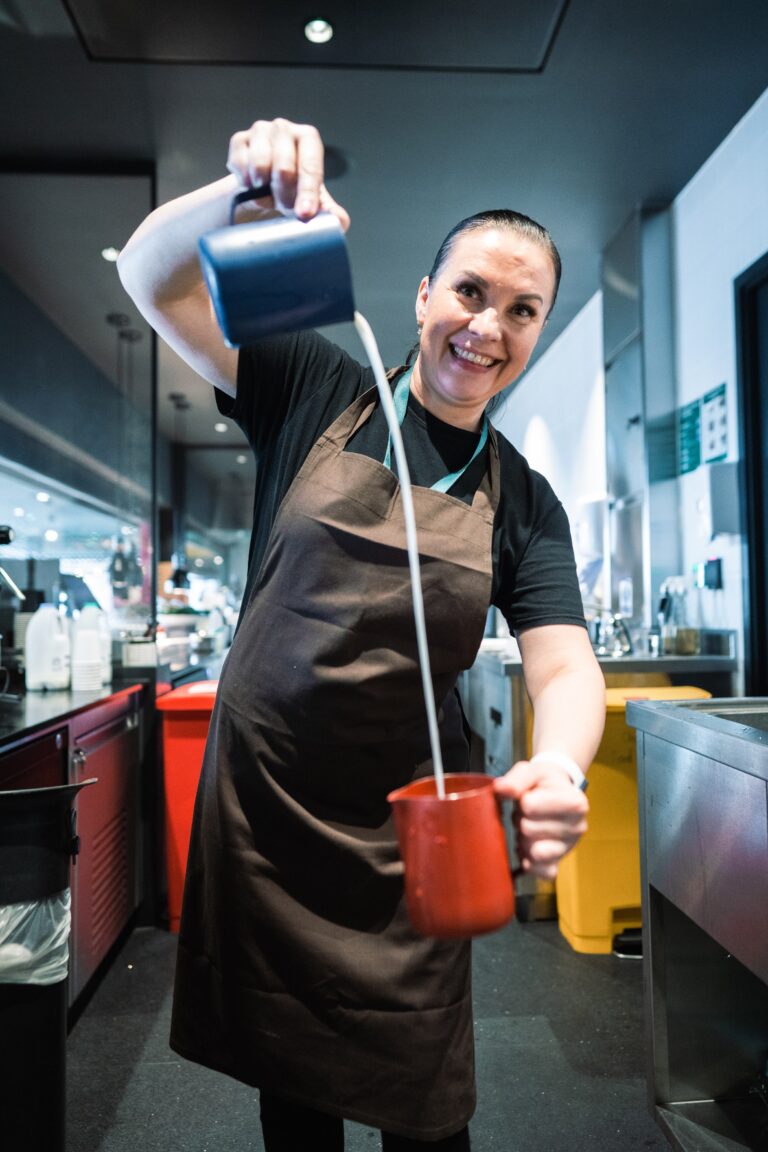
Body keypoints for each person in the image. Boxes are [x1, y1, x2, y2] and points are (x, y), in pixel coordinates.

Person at [118, 118, 606, 1151]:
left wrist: (559, 764)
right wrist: (237, 192)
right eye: (471, 292)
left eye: (523, 311)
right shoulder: (315, 392)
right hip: (271, 820)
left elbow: (565, 667)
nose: (488, 327)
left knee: (427, 1113)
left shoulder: (525, 500)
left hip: (412, 844)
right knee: (291, 1104)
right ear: (423, 297)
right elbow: (156, 282)